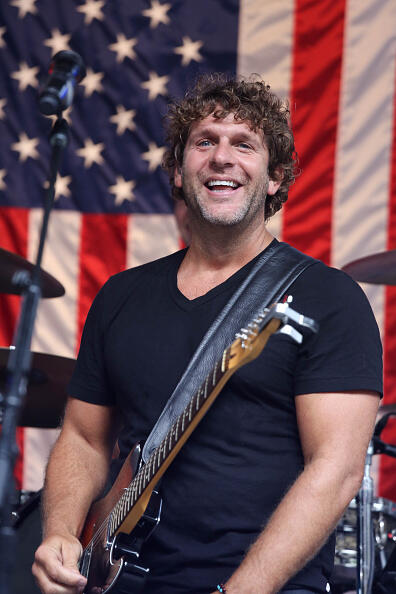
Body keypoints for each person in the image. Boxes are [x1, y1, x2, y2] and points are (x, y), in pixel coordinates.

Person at [32, 74, 382, 594]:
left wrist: (245, 588)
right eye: (204, 142)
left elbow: (335, 469)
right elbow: (84, 438)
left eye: (244, 144)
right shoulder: (121, 296)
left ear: (274, 178)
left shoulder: (327, 298)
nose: (222, 157)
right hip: (120, 579)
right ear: (178, 171)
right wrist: (60, 533)